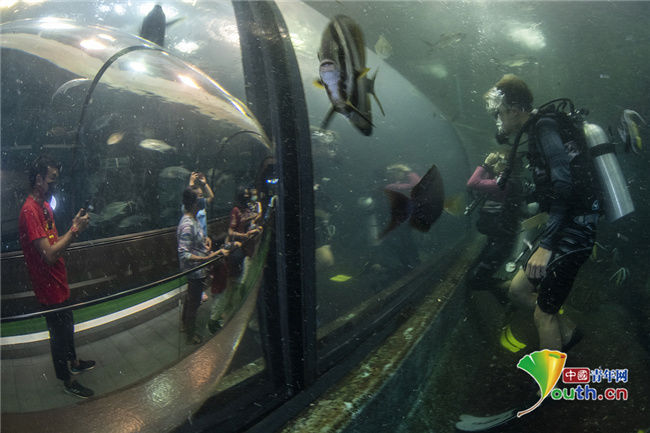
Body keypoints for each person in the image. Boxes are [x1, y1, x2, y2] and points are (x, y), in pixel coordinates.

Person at [484, 74, 600, 351]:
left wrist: (546, 246)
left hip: (576, 228)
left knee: (543, 314)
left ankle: (547, 389)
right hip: (563, 224)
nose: (498, 120)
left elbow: (564, 185)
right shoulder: (536, 131)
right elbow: (551, 186)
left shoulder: (545, 128)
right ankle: (568, 334)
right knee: (518, 290)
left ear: (513, 110)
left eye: (500, 113)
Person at [19, 155, 96, 398]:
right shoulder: (30, 211)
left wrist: (72, 227)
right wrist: (74, 230)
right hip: (48, 287)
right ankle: (67, 380)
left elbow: (54, 242)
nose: (54, 185)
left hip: (59, 282)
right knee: (58, 336)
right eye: (51, 180)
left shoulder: (45, 206)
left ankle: (73, 362)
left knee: (68, 326)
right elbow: (49, 255)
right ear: (38, 179)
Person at [177, 187, 229, 344]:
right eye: (200, 197)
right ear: (194, 203)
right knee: (194, 304)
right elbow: (184, 254)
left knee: (191, 297)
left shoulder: (194, 219)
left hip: (199, 269)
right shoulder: (187, 224)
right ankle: (190, 336)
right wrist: (209, 257)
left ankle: (185, 325)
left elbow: (196, 240)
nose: (203, 199)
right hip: (195, 271)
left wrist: (205, 242)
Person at [465, 151, 522, 293]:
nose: (495, 165)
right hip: (500, 236)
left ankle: (511, 289)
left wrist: (485, 165)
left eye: (498, 162)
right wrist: (490, 168)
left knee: (475, 280)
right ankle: (507, 290)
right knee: (476, 277)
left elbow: (473, 183)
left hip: (502, 238)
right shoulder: (507, 181)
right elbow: (487, 183)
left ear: (505, 166)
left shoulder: (505, 183)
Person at [188, 171, 215, 303]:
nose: (200, 198)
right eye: (197, 196)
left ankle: (200, 291)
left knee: (204, 268)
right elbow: (187, 198)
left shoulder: (202, 205)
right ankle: (196, 294)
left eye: (201, 195)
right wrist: (191, 183)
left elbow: (211, 196)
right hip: (195, 243)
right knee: (197, 269)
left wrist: (204, 184)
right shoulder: (189, 209)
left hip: (203, 239)